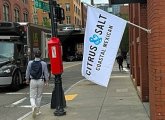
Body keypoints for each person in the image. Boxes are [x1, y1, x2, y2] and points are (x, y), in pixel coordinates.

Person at [25, 50, 49, 118]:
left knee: (32, 96)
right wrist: (46, 81)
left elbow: (27, 72)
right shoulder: (43, 63)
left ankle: (33, 106)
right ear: (40, 55)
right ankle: (37, 111)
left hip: (33, 81)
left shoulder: (30, 63)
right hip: (40, 80)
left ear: (34, 55)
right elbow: (46, 73)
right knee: (39, 96)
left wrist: (27, 79)